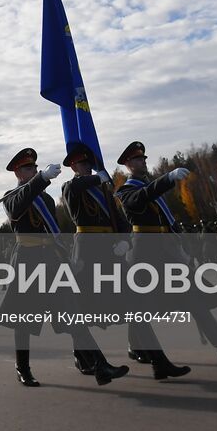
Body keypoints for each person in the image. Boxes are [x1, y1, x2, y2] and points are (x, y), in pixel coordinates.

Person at [114, 140, 217, 374]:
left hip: (164, 250)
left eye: (144, 159)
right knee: (141, 308)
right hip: (144, 254)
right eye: (138, 160)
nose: (143, 162)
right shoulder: (126, 190)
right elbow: (140, 199)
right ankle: (149, 356)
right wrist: (167, 180)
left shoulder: (149, 187)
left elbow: (165, 219)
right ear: (128, 165)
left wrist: (180, 247)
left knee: (194, 299)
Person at [0, 147, 130, 387]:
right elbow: (18, 206)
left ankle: (100, 366)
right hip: (28, 261)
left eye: (35, 168)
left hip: (51, 259)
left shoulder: (46, 199)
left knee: (73, 313)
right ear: (18, 172)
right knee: (24, 319)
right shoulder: (11, 196)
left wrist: (67, 258)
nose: (34, 170)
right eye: (29, 168)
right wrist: (40, 180)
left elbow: (53, 231)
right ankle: (23, 367)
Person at [58, 143, 135, 381]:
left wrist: (126, 240)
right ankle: (84, 356)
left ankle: (144, 349)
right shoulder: (71, 186)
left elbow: (118, 217)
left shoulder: (102, 189)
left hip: (109, 249)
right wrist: (99, 178)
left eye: (89, 164)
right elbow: (76, 188)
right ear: (73, 166)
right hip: (87, 251)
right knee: (82, 306)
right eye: (82, 164)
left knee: (129, 299)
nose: (88, 167)